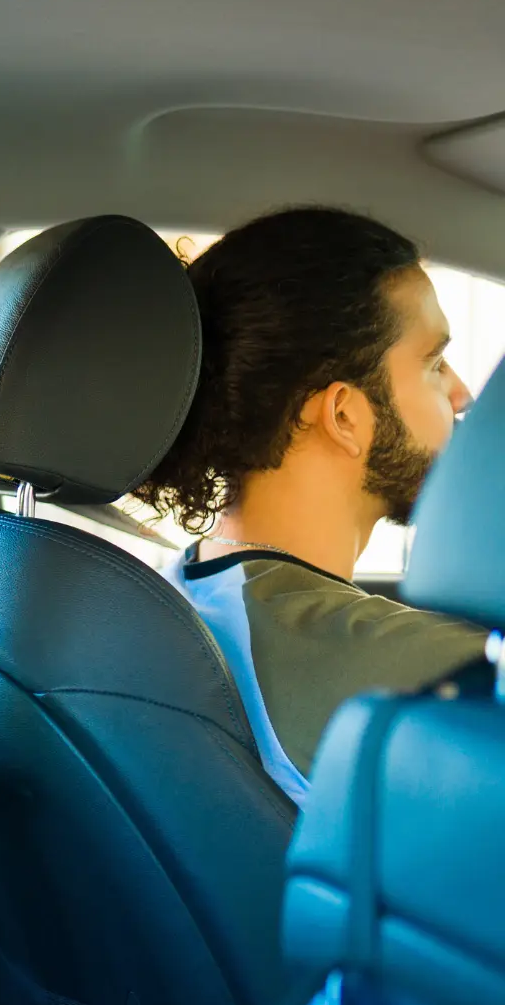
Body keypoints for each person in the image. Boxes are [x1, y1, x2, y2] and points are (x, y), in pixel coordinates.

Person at [134, 207, 488, 805]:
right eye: (433, 363)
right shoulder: (399, 661)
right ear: (344, 415)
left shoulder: (188, 590)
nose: (462, 393)